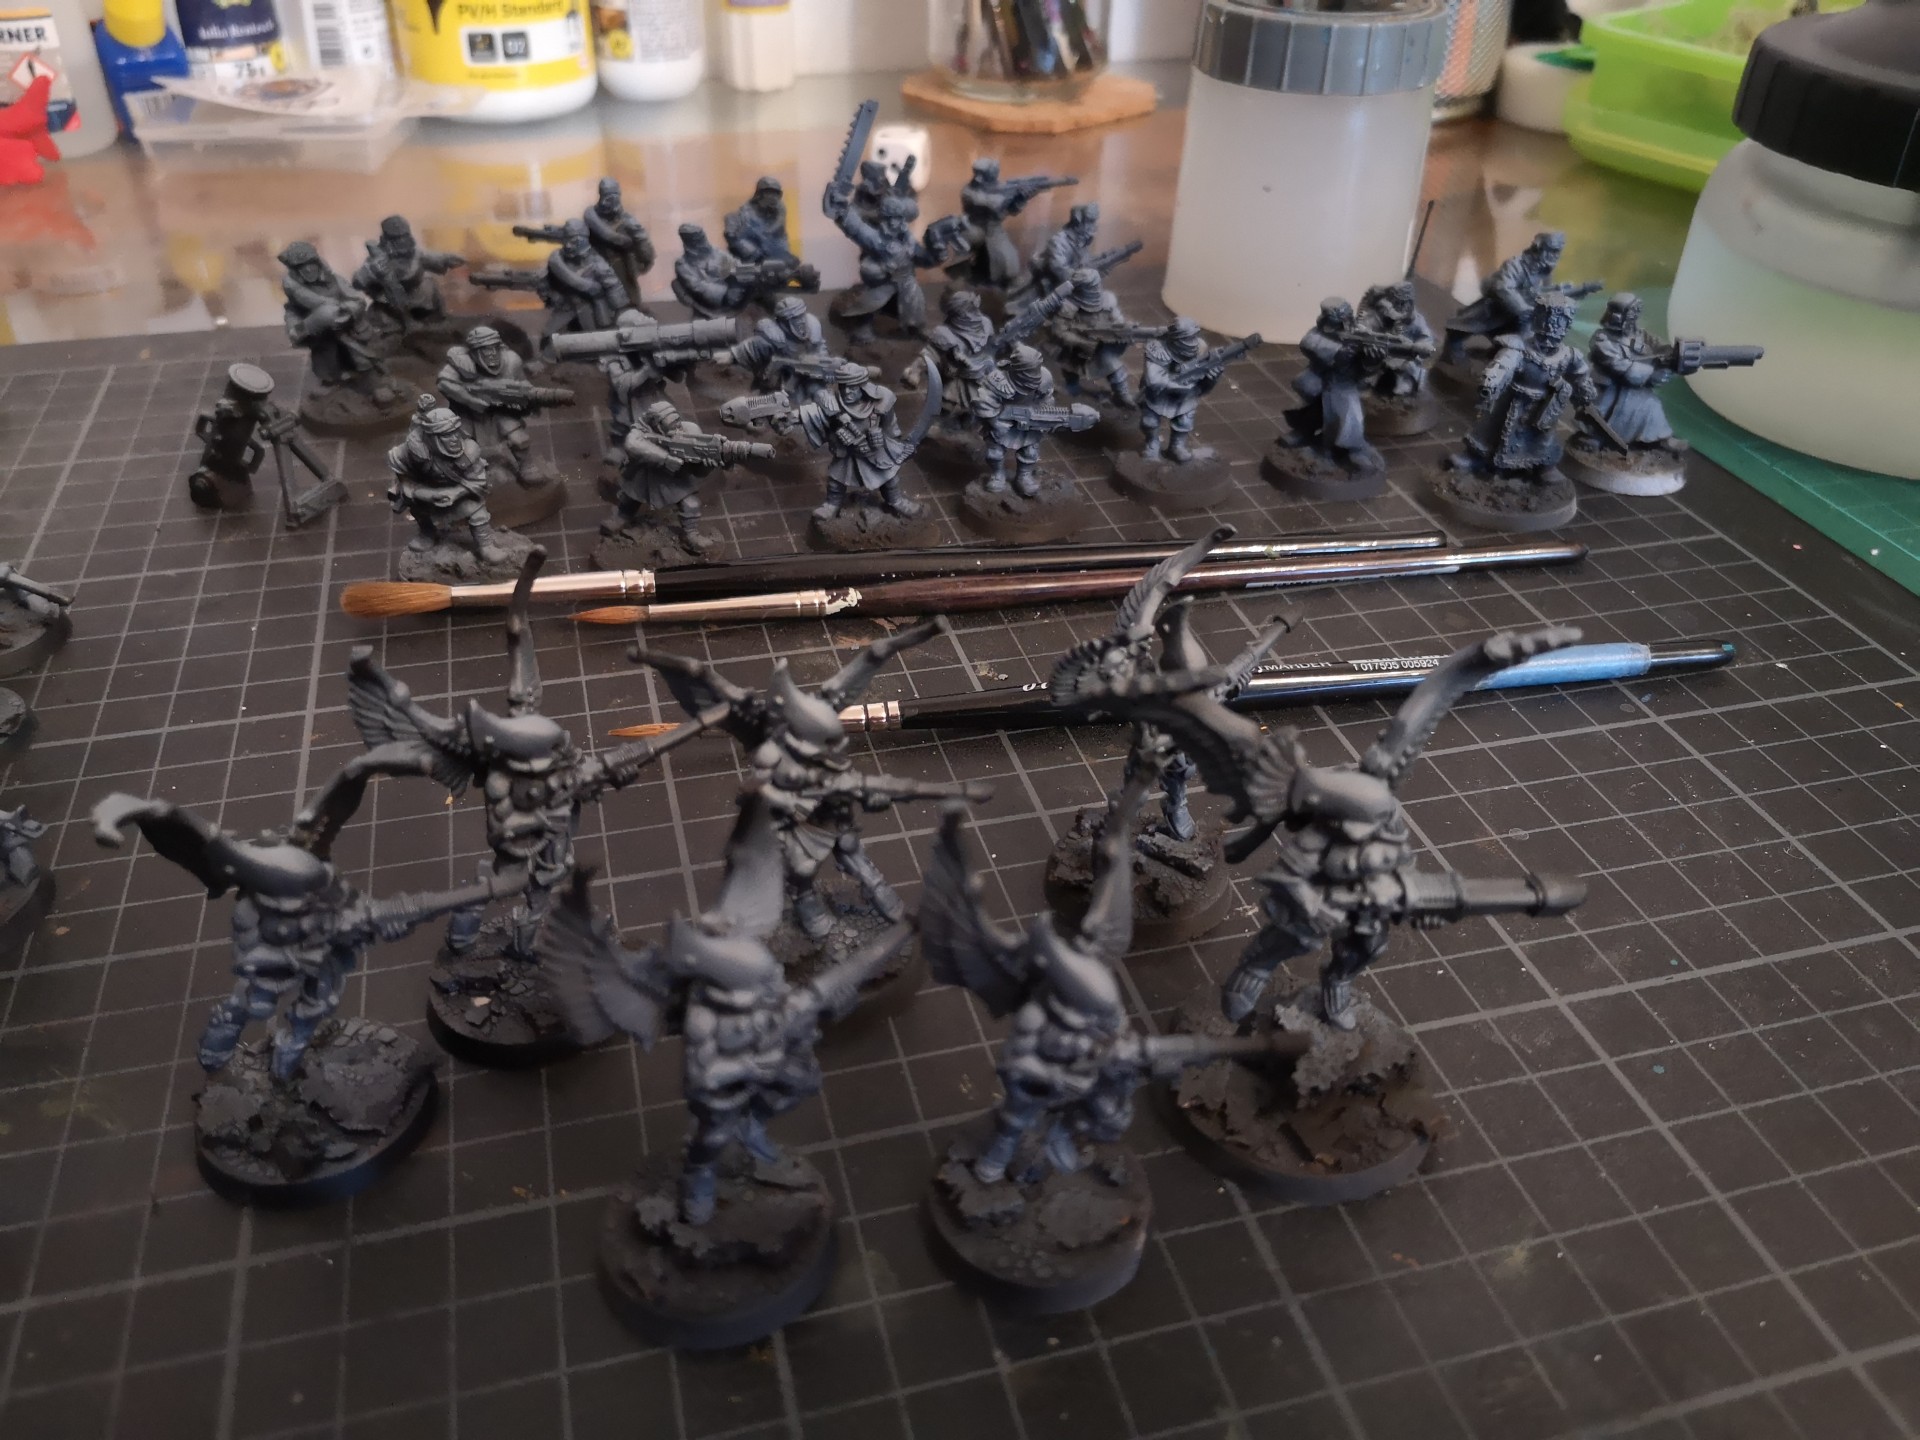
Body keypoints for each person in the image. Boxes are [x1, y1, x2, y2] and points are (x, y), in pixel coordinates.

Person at [1449, 293, 1596, 483]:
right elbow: (1504, 364)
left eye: (1558, 323)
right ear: (1537, 320)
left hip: (1543, 408)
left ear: (1566, 326)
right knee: (1489, 429)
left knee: (1542, 439)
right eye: (1546, 321)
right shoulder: (1518, 347)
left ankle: (1543, 467)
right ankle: (1474, 457)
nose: (1550, 328)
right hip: (1512, 400)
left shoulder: (1569, 356)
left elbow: (1580, 375)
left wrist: (1585, 392)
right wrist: (1491, 380)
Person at [437, 325, 572, 487]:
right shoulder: (461, 363)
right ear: (475, 352)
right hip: (468, 413)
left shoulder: (511, 361)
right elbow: (444, 383)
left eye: (494, 348)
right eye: (485, 350)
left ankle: (526, 468)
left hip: (501, 410)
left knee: (519, 439)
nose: (491, 354)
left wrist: (530, 403)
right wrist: (471, 400)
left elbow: (523, 386)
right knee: (458, 445)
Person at [386, 397, 507, 565]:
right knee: (420, 510)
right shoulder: (410, 452)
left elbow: (479, 481)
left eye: (455, 432)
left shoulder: (468, 452)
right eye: (446, 435)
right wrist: (421, 493)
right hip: (425, 491)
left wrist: (456, 492)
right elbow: (402, 476)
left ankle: (485, 545)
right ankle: (427, 534)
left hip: (459, 490)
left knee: (476, 510)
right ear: (431, 437)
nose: (454, 439)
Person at [1277, 298, 1385, 474]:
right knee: (1312, 409)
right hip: (1319, 379)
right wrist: (1341, 351)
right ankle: (1304, 432)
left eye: (1345, 318)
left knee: (1349, 417)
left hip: (1344, 383)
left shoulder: (1361, 333)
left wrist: (1372, 361)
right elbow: (1309, 343)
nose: (1343, 324)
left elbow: (1365, 370)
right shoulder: (1318, 334)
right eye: (1337, 320)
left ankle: (1349, 450)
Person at [278, 242, 392, 395]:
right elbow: (292, 314)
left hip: (348, 327)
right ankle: (330, 381)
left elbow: (357, 300)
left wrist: (346, 312)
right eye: (302, 267)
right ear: (296, 270)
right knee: (324, 355)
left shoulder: (335, 281)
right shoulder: (296, 292)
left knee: (361, 355)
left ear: (317, 262)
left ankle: (373, 383)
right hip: (321, 332)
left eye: (310, 264)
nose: (308, 269)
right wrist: (301, 328)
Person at [352, 215, 464, 333]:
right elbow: (357, 281)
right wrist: (372, 272)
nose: (401, 241)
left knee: (429, 283)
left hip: (417, 297)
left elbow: (432, 258)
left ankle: (437, 319)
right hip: (387, 303)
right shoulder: (377, 260)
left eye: (404, 236)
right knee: (386, 313)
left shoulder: (414, 253)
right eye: (396, 238)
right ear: (386, 239)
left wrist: (447, 259)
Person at [544, 220, 627, 337]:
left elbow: (616, 296)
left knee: (595, 338)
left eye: (573, 241)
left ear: (583, 240)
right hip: (566, 307)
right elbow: (550, 278)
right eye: (566, 239)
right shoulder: (558, 258)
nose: (568, 245)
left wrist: (620, 313)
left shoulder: (598, 265)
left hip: (590, 311)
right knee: (548, 337)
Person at [583, 177, 654, 310]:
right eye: (607, 196)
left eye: (614, 196)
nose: (611, 201)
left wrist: (646, 258)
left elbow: (643, 243)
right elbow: (603, 234)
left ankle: (631, 305)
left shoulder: (628, 221)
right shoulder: (591, 215)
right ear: (601, 195)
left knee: (627, 291)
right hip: (597, 263)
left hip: (621, 263)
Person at [725, 176, 802, 267]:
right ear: (760, 194)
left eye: (776, 194)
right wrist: (754, 253)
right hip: (749, 260)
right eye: (770, 193)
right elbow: (733, 238)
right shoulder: (743, 215)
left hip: (772, 258)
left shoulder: (778, 215)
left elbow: (779, 242)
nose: (774, 198)